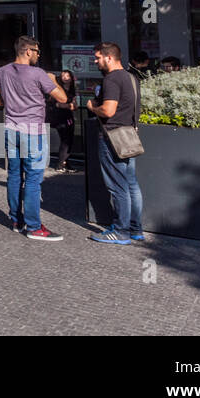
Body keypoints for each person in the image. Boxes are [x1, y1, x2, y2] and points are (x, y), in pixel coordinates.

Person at [0, 36, 69, 241]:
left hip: (11, 130)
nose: (38, 55)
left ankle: (17, 220)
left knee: (14, 175)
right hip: (32, 131)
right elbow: (62, 98)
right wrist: (52, 80)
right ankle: (34, 227)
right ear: (27, 51)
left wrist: (14, 100)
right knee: (33, 179)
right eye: (37, 52)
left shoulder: (1, 72)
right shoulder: (38, 74)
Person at [90, 41, 145, 245]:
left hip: (112, 136)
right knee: (131, 183)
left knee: (117, 186)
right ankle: (135, 229)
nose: (96, 61)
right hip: (129, 135)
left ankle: (121, 231)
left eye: (98, 58)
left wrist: (92, 107)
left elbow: (108, 110)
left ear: (109, 57)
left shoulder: (111, 79)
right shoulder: (132, 77)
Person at [48, 69, 78, 171]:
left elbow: (74, 104)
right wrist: (67, 105)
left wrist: (72, 106)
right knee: (65, 140)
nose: (65, 78)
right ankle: (60, 164)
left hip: (69, 117)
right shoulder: (58, 89)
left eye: (67, 76)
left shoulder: (72, 89)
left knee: (69, 140)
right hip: (60, 117)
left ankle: (66, 163)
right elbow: (56, 104)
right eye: (63, 76)